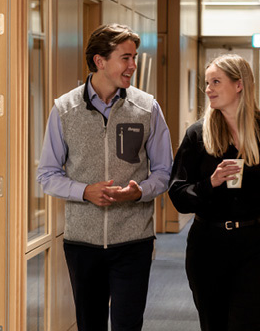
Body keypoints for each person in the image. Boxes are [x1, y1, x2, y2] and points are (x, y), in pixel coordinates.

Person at [37, 23, 173, 331]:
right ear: (100, 61)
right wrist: (85, 191)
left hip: (133, 240)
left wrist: (139, 192)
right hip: (82, 243)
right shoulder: (64, 109)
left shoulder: (147, 107)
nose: (133, 65)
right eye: (125, 58)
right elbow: (47, 175)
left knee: (128, 324)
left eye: (134, 57)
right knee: (90, 325)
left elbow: (165, 172)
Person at [168, 54, 260, 330]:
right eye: (207, 83)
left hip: (258, 246)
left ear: (239, 85)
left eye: (216, 82)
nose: (208, 89)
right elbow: (178, 196)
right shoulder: (197, 135)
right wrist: (212, 182)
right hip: (207, 247)